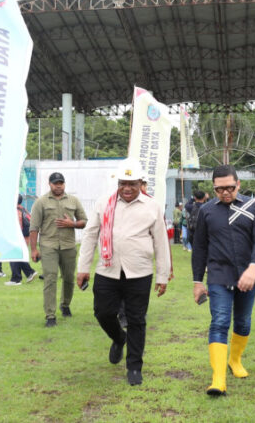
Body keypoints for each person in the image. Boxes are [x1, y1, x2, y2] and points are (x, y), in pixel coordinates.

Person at [77, 159, 171, 386]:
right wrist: (83, 268)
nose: (127, 188)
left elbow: (161, 242)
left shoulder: (152, 206)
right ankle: (119, 338)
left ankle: (134, 367)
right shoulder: (104, 203)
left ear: (141, 183)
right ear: (117, 183)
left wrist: (162, 275)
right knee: (102, 312)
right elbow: (90, 235)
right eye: (123, 183)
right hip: (107, 270)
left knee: (137, 319)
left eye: (132, 183)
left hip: (139, 273)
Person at [192, 165, 255, 397]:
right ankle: (218, 379)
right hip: (218, 275)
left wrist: (253, 268)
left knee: (242, 322)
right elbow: (200, 247)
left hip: (248, 275)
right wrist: (197, 281)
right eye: (219, 189)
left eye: (230, 188)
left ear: (239, 185)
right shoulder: (206, 211)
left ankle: (234, 361)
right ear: (213, 188)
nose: (225, 193)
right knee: (220, 321)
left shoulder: (253, 206)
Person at [30, 172, 87, 327]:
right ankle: (50, 315)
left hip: (68, 245)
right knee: (50, 278)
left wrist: (73, 224)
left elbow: (84, 221)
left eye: (61, 183)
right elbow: (34, 227)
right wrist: (34, 249)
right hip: (48, 245)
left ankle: (65, 304)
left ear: (64, 184)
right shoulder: (41, 202)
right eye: (55, 183)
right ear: (50, 184)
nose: (58, 185)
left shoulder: (73, 200)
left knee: (69, 278)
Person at [5, 194, 38, 286]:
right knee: (18, 256)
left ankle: (16, 279)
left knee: (13, 256)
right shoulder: (24, 209)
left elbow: (18, 224)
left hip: (19, 237)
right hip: (26, 236)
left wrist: (15, 237)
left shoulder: (15, 211)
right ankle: (29, 272)